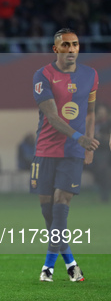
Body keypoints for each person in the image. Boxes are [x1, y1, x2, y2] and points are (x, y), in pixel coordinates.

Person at [31, 28, 99, 282]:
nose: (71, 49)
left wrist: (86, 144)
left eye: (75, 45)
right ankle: (70, 262)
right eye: (66, 45)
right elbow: (51, 116)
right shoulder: (43, 76)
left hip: (73, 152)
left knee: (62, 206)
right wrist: (79, 137)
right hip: (45, 150)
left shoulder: (90, 75)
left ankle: (48, 268)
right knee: (48, 213)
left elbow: (90, 113)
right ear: (56, 49)